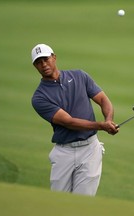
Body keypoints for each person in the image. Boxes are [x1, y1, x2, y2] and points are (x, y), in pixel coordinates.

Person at [31, 43, 119, 196]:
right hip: (64, 152)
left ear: (54, 57)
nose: (43, 64)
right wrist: (101, 125)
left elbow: (103, 99)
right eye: (38, 62)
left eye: (46, 59)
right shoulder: (39, 97)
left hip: (90, 149)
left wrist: (109, 120)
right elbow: (68, 122)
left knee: (82, 203)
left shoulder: (79, 76)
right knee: (59, 205)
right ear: (35, 66)